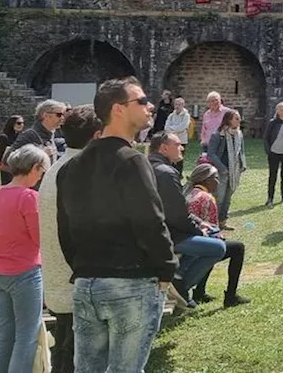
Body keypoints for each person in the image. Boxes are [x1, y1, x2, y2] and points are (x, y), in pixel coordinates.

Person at [56, 77, 175, 373]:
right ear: (118, 109)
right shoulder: (131, 160)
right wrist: (166, 268)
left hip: (87, 284)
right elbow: (150, 220)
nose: (150, 107)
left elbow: (65, 229)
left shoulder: (71, 165)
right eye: (142, 101)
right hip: (131, 283)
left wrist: (84, 267)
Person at [39, 104, 100, 373]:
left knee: (66, 354)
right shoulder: (80, 173)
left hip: (62, 286)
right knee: (77, 360)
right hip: (79, 287)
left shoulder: (58, 169)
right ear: (98, 136)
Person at [0, 144, 50, 373]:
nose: (41, 176)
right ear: (34, 168)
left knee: (5, 333)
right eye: (41, 171)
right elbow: (39, 238)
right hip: (25, 272)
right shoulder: (29, 197)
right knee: (26, 336)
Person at [150, 132, 224, 305]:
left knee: (212, 231)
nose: (182, 147)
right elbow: (176, 215)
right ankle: (181, 285)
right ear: (164, 148)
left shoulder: (150, 166)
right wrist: (199, 230)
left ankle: (179, 277)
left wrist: (200, 223)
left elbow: (178, 209)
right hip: (165, 235)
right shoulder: (166, 173)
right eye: (177, 144)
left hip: (164, 228)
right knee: (218, 246)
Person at [186, 164, 249, 307]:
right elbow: (213, 230)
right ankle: (231, 296)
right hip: (199, 243)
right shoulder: (207, 198)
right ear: (206, 180)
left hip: (188, 240)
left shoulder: (189, 193)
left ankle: (200, 292)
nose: (218, 182)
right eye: (216, 178)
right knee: (236, 248)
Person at [207, 109, 247, 229]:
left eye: (239, 118)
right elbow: (211, 154)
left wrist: (242, 165)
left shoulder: (239, 134)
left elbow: (241, 151)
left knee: (228, 198)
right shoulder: (218, 135)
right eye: (236, 118)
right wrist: (222, 168)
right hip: (222, 172)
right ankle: (213, 223)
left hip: (234, 171)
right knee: (219, 198)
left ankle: (223, 221)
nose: (239, 121)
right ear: (229, 120)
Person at [0, 115, 25, 185]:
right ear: (12, 123)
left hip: (19, 165)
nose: (21, 125)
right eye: (19, 123)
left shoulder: (21, 136)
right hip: (7, 166)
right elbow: (0, 154)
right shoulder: (3, 137)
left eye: (22, 123)